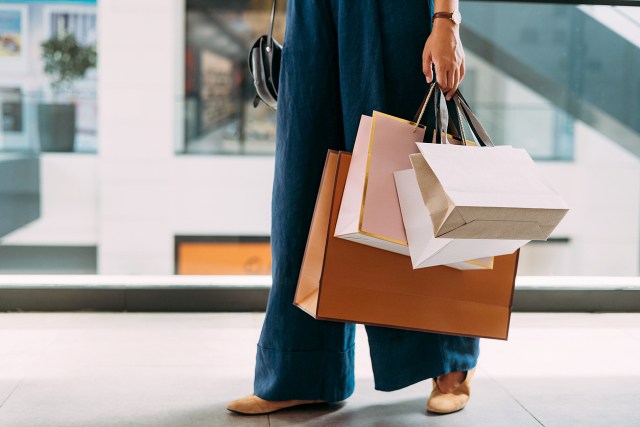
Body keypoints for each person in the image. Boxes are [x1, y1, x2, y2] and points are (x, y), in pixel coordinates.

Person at [228, 0, 477, 416]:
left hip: (397, 12)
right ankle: (304, 369)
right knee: (303, 184)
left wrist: (446, 18)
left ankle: (449, 363)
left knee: (408, 179)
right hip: (313, 12)